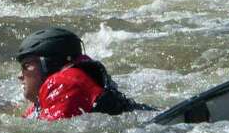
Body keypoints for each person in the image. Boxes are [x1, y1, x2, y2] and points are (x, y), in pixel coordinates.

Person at [16, 27, 150, 120]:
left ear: (50, 64)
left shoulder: (63, 83)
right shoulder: (48, 95)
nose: (20, 75)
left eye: (26, 66)